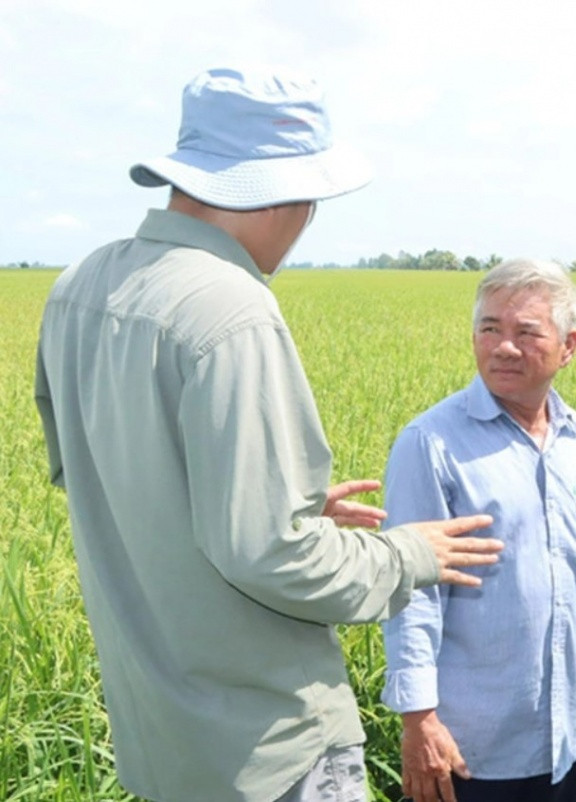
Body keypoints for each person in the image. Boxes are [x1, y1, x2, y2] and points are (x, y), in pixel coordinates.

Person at [33, 65, 503, 802]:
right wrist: (405, 554)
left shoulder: (80, 288)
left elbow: (110, 482)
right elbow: (269, 554)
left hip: (161, 741)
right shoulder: (231, 310)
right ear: (290, 195)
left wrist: (268, 505)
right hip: (267, 745)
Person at [380, 259, 576, 802]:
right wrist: (418, 718)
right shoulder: (431, 444)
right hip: (469, 751)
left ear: (568, 346)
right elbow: (411, 594)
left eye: (525, 332)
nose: (504, 347)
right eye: (490, 328)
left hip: (560, 740)